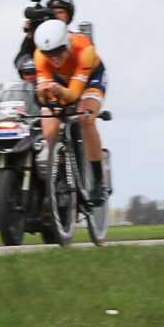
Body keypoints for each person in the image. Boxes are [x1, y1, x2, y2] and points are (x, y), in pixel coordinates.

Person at [32, 16, 108, 199]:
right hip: (60, 81)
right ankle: (60, 174)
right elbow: (45, 98)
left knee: (85, 118)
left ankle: (99, 182)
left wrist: (59, 92)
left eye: (58, 51)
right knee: (49, 127)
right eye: (48, 53)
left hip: (90, 79)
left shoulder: (85, 50)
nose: (54, 57)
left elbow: (73, 94)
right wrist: (43, 96)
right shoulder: (39, 56)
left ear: (67, 43)